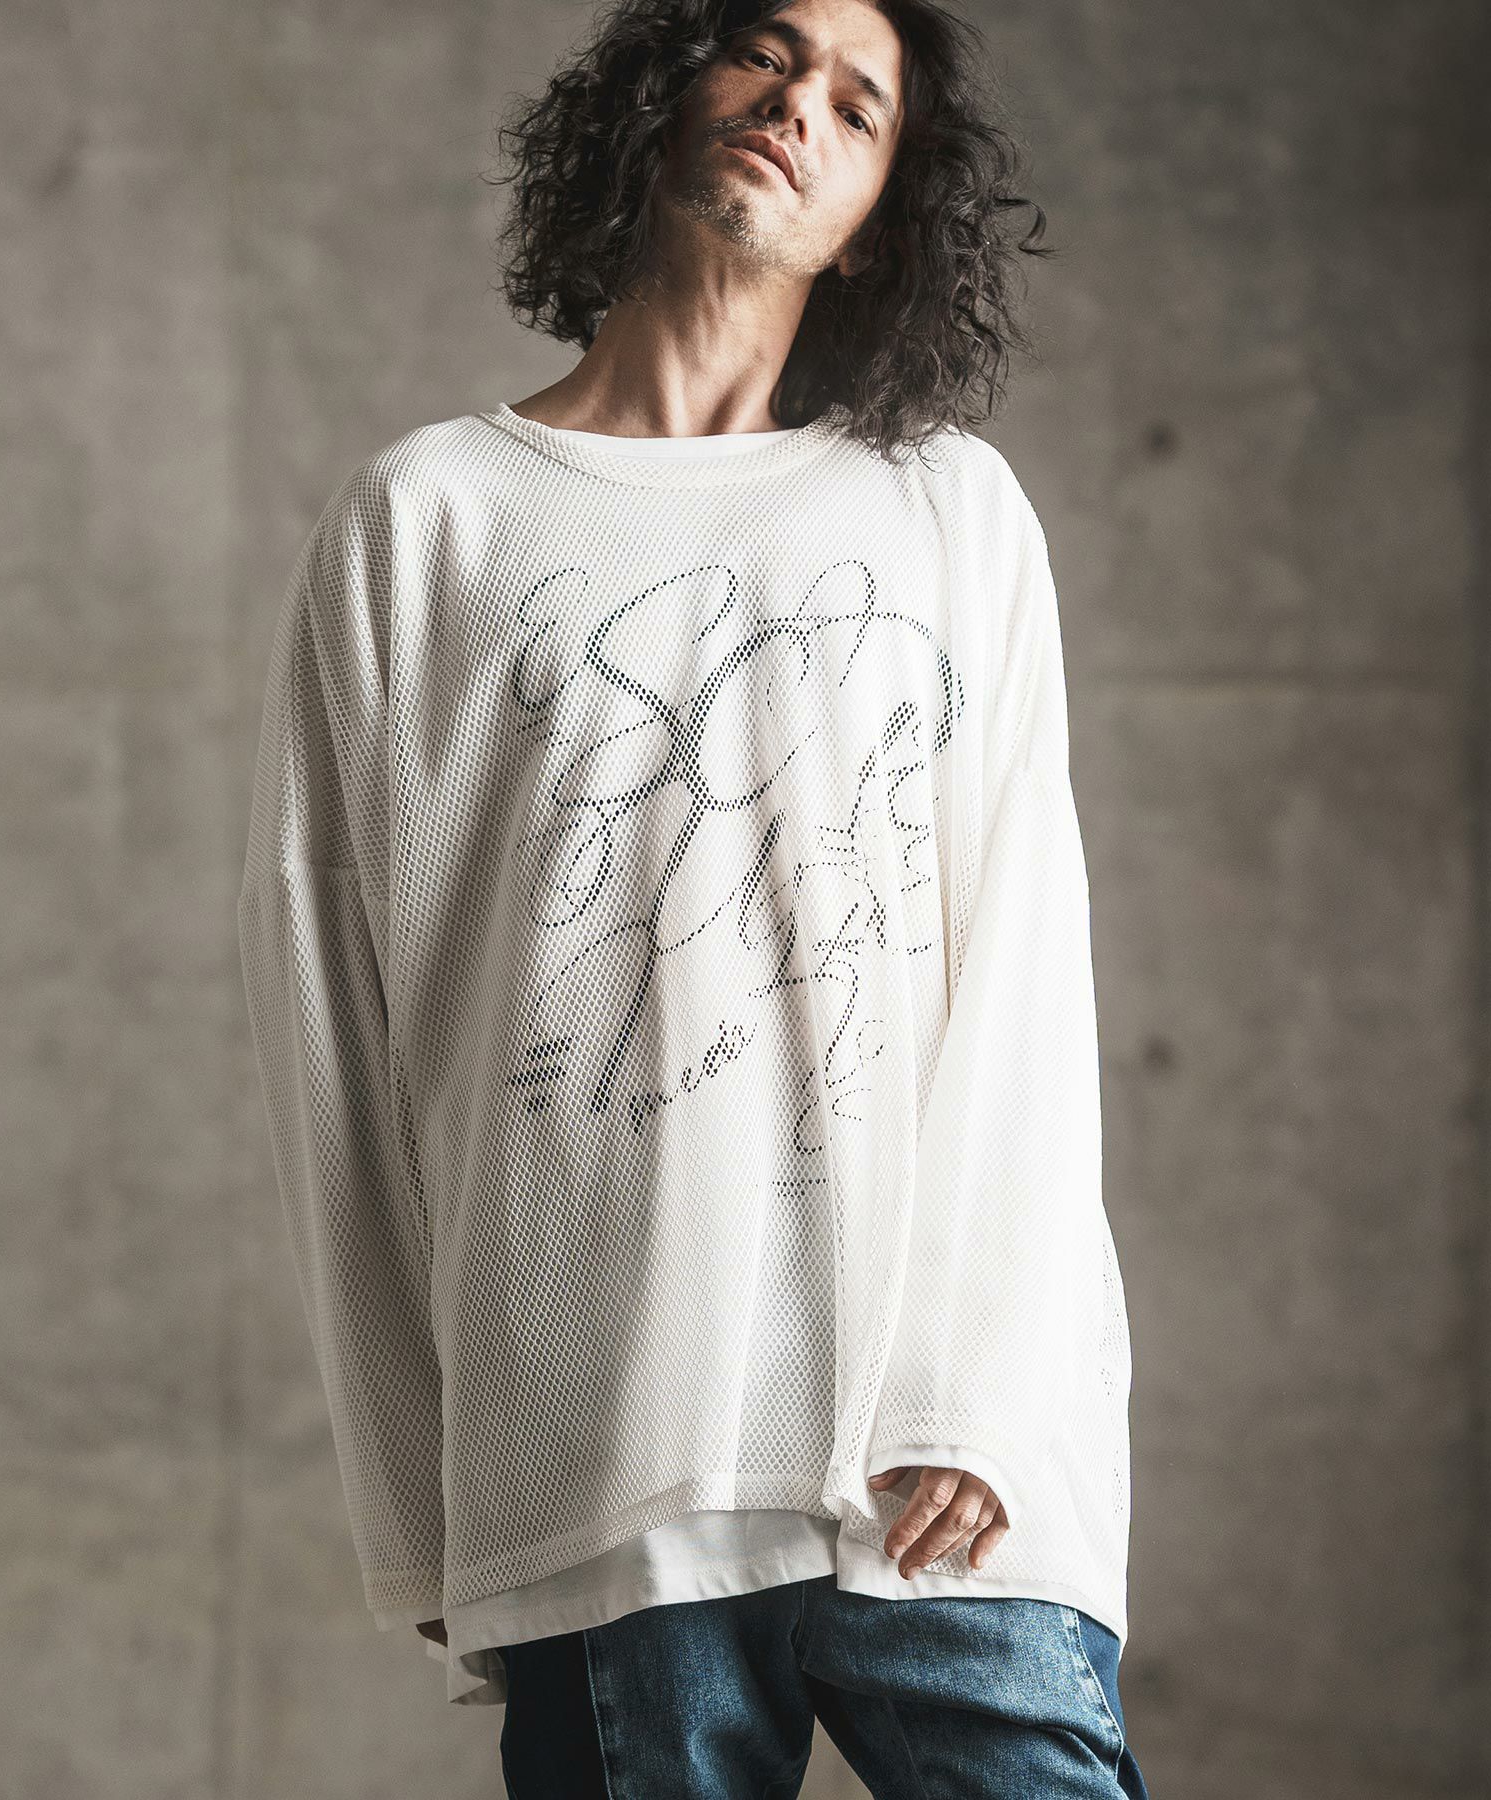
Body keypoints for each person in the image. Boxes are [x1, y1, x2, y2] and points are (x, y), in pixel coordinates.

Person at [235, 0, 1149, 1792]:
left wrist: (978, 1386)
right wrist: (424, 1500)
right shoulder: (428, 520)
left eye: (859, 107)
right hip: (602, 1450)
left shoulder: (947, 511)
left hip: (932, 1456)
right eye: (767, 53)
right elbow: (331, 1019)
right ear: (662, 97)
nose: (800, 105)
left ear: (878, 215)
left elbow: (1031, 962)